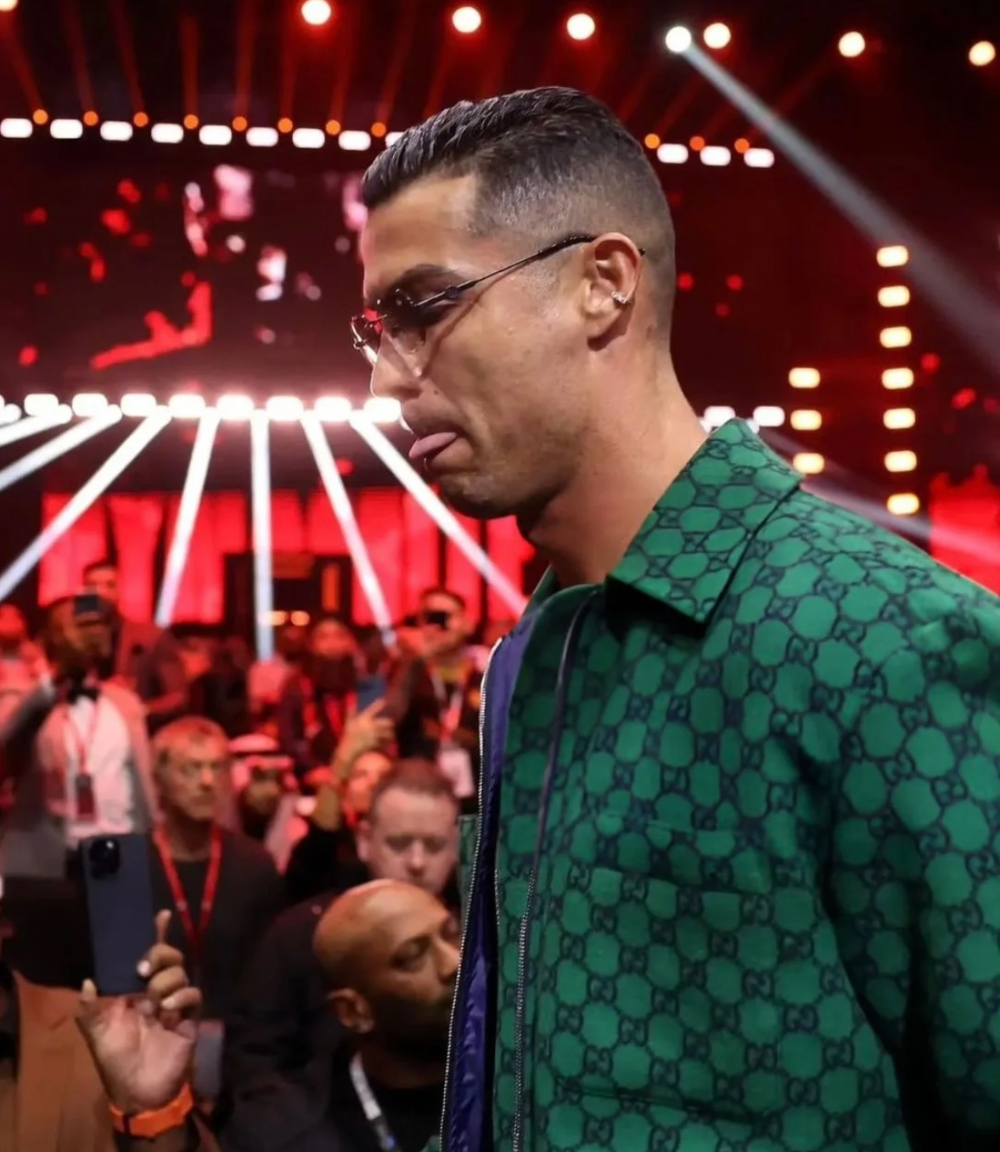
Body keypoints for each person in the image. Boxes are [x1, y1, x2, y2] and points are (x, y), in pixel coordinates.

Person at [356, 87, 1000, 1152]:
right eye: (377, 330)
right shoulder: (532, 655)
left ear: (602, 285)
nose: (388, 378)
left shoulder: (889, 641)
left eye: (425, 308)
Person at [81, 881, 458, 1152]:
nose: (454, 962)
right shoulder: (282, 1135)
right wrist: (154, 1111)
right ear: (353, 1011)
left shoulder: (497, 1082)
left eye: (453, 934)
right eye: (413, 957)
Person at [221, 763, 460, 1137]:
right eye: (399, 843)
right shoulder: (301, 935)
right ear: (364, 840)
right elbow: (255, 1059)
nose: (417, 863)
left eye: (434, 845)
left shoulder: (481, 934)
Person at [0, 596, 157, 880]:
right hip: (48, 858)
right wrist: (53, 682)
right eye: (79, 628)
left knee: (121, 912)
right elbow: (7, 738)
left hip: (118, 849)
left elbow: (143, 785)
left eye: (96, 627)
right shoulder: (32, 701)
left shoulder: (125, 704)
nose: (89, 637)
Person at [150, 717, 283, 1023]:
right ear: (160, 779)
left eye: (218, 767)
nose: (208, 781)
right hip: (152, 1030)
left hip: (238, 1033)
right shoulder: (131, 867)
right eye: (191, 769)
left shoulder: (255, 865)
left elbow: (270, 975)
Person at [389, 589, 483, 806]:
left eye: (445, 617)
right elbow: (389, 720)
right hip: (418, 796)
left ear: (467, 624)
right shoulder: (407, 673)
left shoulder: (487, 673)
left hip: (477, 800)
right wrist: (415, 662)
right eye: (431, 617)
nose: (439, 626)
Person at [83, 560, 188, 731]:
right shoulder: (71, 637)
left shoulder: (150, 637)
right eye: (92, 586)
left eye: (110, 585)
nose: (101, 593)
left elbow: (178, 696)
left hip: (133, 731)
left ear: (120, 590)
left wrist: (138, 708)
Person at [277, 617, 362, 783]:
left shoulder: (364, 683)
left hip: (358, 773)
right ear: (312, 645)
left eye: (339, 636)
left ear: (350, 643)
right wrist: (312, 768)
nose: (332, 644)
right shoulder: (296, 685)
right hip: (312, 774)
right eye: (324, 637)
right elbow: (289, 738)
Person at [247, 622, 306, 720]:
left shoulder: (312, 670)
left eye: (297, 641)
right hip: (273, 721)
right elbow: (255, 705)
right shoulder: (262, 668)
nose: (294, 645)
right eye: (289, 641)